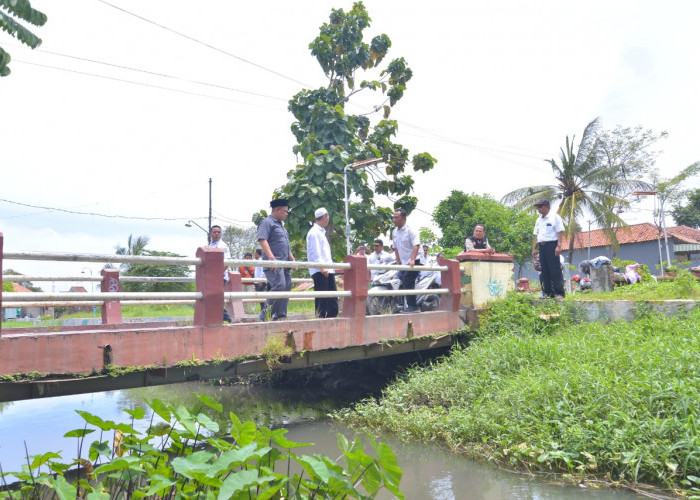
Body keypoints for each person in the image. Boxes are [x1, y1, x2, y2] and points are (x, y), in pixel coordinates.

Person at [257, 199, 295, 321]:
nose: (286, 214)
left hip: (285, 264)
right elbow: (262, 240)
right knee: (279, 286)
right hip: (274, 263)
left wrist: (292, 259)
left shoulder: (281, 227)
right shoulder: (267, 223)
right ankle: (264, 316)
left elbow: (284, 245)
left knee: (286, 289)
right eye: (285, 211)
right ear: (277, 210)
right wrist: (271, 258)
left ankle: (280, 316)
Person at [306, 207, 338, 318]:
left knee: (332, 299)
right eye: (328, 216)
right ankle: (320, 320)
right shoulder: (314, 233)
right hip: (321, 270)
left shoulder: (320, 233)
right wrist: (322, 268)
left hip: (326, 269)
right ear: (325, 217)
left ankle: (331, 320)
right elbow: (315, 253)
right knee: (322, 300)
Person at [532, 199, 565, 299]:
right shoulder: (538, 220)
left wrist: (559, 246)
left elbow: (560, 232)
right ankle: (548, 293)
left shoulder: (555, 217)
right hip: (542, 246)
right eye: (538, 207)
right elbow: (537, 235)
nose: (539, 209)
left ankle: (559, 293)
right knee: (544, 270)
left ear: (547, 207)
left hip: (552, 245)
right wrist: (534, 249)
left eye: (540, 207)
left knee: (555, 270)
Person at [392, 208, 421, 313]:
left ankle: (414, 307)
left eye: (396, 217)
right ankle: (403, 305)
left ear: (403, 218)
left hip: (415, 260)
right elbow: (395, 247)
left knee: (407, 281)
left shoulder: (410, 230)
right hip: (403, 262)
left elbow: (416, 245)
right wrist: (398, 260)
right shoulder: (394, 232)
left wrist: (412, 259)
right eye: (393, 217)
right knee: (401, 282)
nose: (394, 220)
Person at [208, 225, 232, 322]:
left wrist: (217, 274)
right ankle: (220, 319)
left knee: (216, 299)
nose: (217, 234)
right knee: (211, 298)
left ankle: (226, 318)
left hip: (220, 277)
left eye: (219, 232)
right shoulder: (209, 246)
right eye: (215, 232)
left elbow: (227, 262)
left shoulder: (223, 246)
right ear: (211, 233)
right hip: (211, 277)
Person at [253, 248, 268, 315]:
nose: (254, 255)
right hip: (258, 281)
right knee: (260, 296)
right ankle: (263, 310)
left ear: (257, 254)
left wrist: (261, 280)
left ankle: (264, 310)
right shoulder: (259, 260)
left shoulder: (261, 260)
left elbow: (263, 271)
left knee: (261, 296)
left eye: (255, 253)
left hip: (260, 281)